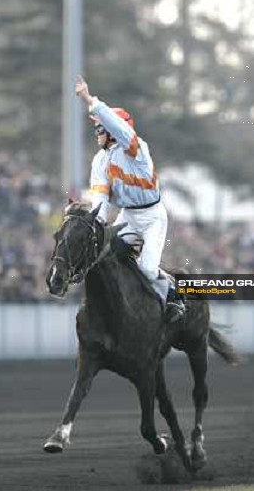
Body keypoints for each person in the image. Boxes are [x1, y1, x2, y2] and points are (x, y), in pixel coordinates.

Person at [74, 75, 185, 324]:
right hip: (128, 216)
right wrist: (97, 222)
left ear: (114, 131)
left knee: (147, 268)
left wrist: (90, 100)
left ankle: (173, 293)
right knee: (110, 257)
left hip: (153, 217)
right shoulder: (100, 160)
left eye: (100, 128)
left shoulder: (137, 150)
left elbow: (122, 129)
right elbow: (100, 197)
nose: (97, 132)